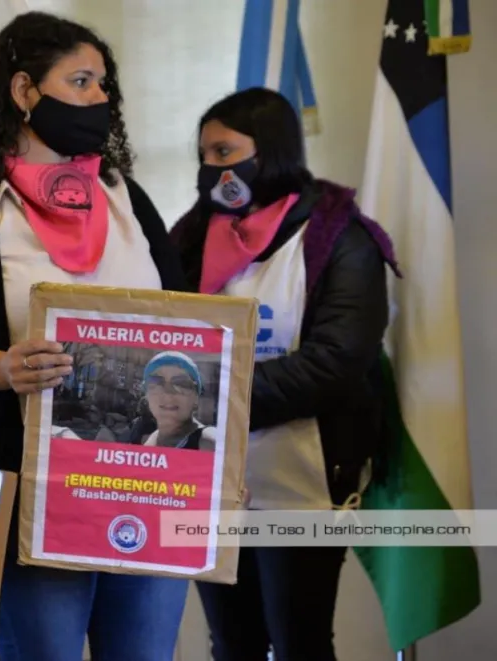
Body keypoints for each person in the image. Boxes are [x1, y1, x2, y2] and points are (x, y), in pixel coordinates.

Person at [0, 11, 189, 661]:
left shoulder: (127, 199)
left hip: (150, 484)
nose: (100, 99)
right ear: (24, 92)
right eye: (81, 81)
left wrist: (215, 458)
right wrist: (3, 366)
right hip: (30, 489)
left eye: (103, 84)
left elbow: (191, 330)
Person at [170, 87, 399, 661]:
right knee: (232, 643)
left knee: (299, 641)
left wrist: (211, 399)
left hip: (304, 480)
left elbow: (336, 363)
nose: (211, 169)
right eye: (204, 155)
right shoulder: (192, 235)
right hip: (210, 483)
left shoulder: (341, 237)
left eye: (224, 152)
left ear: (270, 152)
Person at [137, 351, 216, 451]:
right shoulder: (152, 440)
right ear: (146, 395)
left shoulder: (208, 442)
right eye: (156, 382)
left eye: (181, 384)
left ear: (196, 397)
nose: (168, 394)